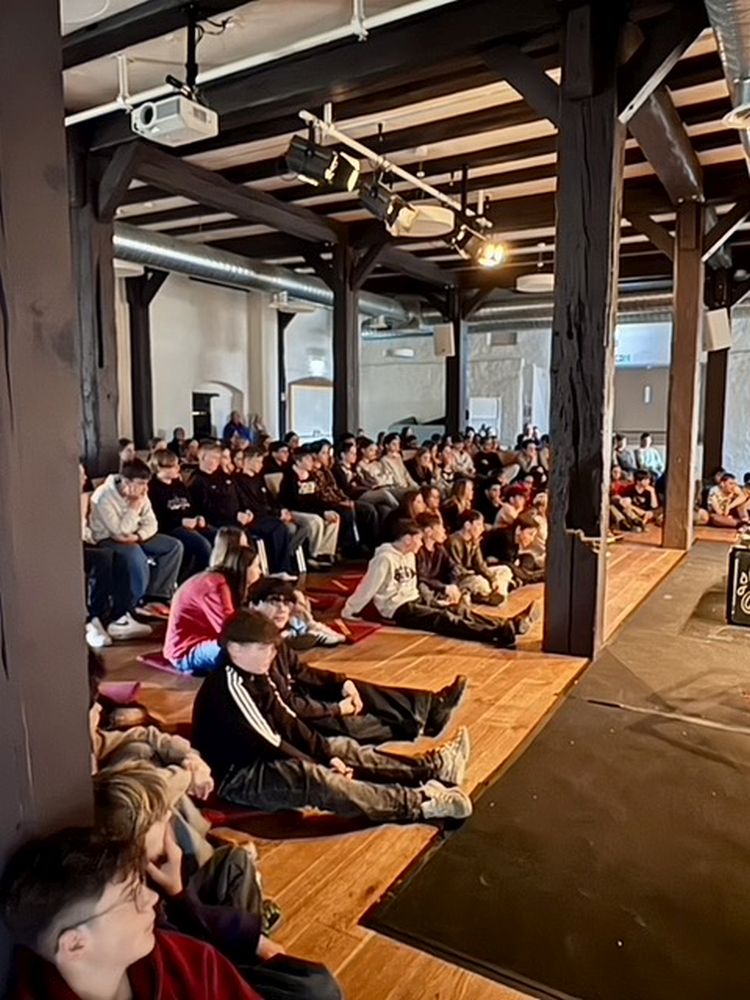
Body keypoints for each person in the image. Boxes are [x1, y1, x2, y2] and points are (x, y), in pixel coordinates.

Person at [192, 610, 474, 823]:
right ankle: (418, 803)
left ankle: (432, 767)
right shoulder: (229, 687)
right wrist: (320, 764)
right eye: (262, 648)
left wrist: (327, 755)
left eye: (272, 647)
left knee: (341, 747)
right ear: (235, 648)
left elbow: (287, 720)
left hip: (263, 755)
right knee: (313, 777)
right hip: (239, 775)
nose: (271, 653)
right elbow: (271, 740)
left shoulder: (256, 673)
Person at [0, 827, 264, 1000]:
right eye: (131, 896)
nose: (152, 898)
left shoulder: (191, 962)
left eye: (141, 885)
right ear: (75, 944)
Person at [250, 577, 466, 742]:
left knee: (356, 688)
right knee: (344, 723)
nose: (282, 609)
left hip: (294, 693)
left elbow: (301, 671)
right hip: (281, 716)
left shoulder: (275, 637)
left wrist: (341, 681)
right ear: (253, 605)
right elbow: (287, 704)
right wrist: (337, 708)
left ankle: (430, 705)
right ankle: (414, 725)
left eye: (286, 603)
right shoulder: (253, 645)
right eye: (273, 602)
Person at [342, 520, 534, 646]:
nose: (420, 543)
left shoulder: (409, 555)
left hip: (415, 598)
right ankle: (496, 632)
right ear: (407, 539)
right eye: (418, 539)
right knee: (444, 619)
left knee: (458, 610)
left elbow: (414, 584)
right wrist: (349, 610)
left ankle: (506, 622)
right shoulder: (384, 558)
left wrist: (434, 600)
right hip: (398, 608)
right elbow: (368, 587)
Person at [89, 459, 183, 638]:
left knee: (173, 546)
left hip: (135, 535)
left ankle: (156, 596)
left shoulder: (141, 495)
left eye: (146, 483)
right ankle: (129, 608)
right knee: (135, 555)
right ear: (126, 482)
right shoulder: (104, 496)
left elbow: (152, 523)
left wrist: (138, 536)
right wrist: (134, 508)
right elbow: (118, 530)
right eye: (140, 484)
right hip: (107, 539)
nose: (145, 489)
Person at [164, 537, 261, 674]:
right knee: (240, 650)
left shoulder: (220, 581)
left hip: (207, 640)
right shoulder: (215, 586)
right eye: (256, 566)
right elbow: (230, 628)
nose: (260, 571)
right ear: (244, 568)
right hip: (186, 651)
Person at [234, 447, 303, 575]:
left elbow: (270, 499)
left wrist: (281, 510)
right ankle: (281, 568)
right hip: (254, 518)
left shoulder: (259, 479)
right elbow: (250, 505)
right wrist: (276, 514)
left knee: (288, 526)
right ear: (248, 460)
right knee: (279, 527)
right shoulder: (237, 481)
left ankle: (287, 563)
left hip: (267, 515)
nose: (261, 465)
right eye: (258, 461)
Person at [149, 450, 215, 577]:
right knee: (203, 545)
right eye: (173, 466)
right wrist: (181, 521)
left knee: (218, 537)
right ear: (161, 468)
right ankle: (199, 579)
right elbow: (158, 518)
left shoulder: (178, 485)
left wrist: (198, 517)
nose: (178, 468)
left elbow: (191, 505)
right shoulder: (153, 489)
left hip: (190, 523)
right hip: (172, 527)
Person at [279, 445, 340, 566]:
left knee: (334, 518)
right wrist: (321, 513)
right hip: (294, 510)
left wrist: (326, 510)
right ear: (299, 461)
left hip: (311, 509)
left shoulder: (311, 476)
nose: (311, 462)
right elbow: (296, 503)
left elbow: (315, 498)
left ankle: (325, 552)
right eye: (308, 459)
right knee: (315, 521)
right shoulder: (290, 477)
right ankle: (313, 554)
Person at [447, 510, 514, 605]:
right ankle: (486, 595)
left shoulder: (474, 540)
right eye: (478, 524)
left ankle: (498, 593)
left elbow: (480, 564)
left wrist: (491, 578)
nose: (482, 528)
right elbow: (457, 570)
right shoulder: (453, 541)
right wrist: (477, 574)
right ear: (467, 525)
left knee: (504, 570)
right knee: (480, 582)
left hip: (473, 573)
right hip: (461, 578)